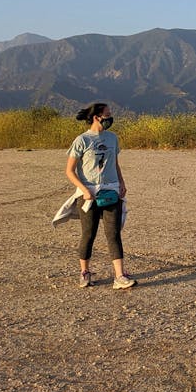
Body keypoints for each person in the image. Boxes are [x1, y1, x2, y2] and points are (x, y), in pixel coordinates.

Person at [64, 102, 135, 289]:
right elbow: (70, 171)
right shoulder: (82, 140)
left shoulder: (112, 138)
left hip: (111, 191)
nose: (110, 117)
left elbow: (115, 164)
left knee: (113, 234)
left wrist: (121, 183)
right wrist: (85, 190)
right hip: (89, 195)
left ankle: (119, 276)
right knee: (88, 234)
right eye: (108, 114)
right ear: (97, 117)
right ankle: (85, 272)